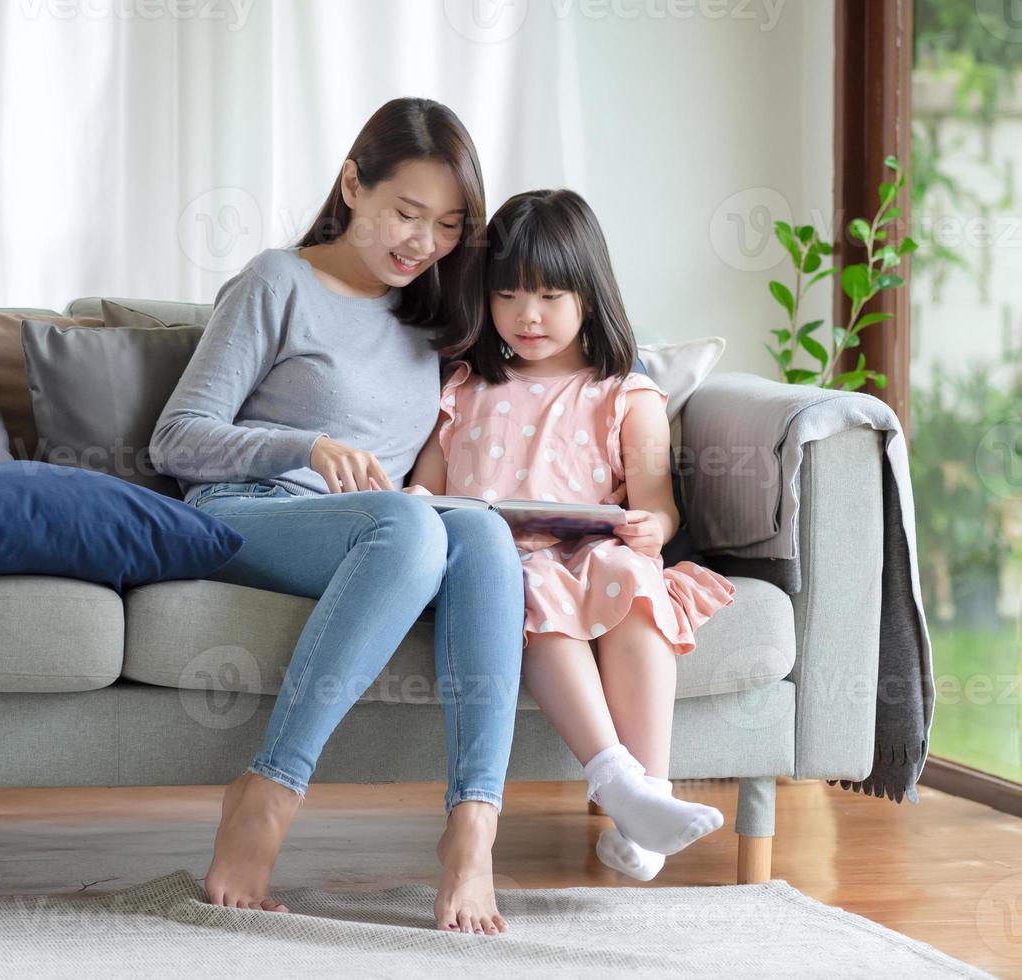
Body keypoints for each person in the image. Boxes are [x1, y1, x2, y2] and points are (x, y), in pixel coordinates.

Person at [150, 97, 524, 934]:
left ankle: (474, 828)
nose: (422, 242)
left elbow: (570, 343)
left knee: (485, 534)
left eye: (449, 225)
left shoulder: (432, 317)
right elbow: (175, 440)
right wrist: (305, 447)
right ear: (353, 183)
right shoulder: (275, 281)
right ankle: (268, 793)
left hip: (383, 534)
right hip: (250, 513)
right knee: (408, 525)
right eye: (405, 212)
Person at [404, 188, 737, 881]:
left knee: (637, 580)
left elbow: (658, 506)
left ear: (590, 296)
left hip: (591, 552)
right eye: (509, 295)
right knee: (527, 587)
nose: (528, 315)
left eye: (551, 296)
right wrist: (412, 500)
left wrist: (653, 528)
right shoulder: (463, 388)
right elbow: (425, 491)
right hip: (494, 564)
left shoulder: (624, 392)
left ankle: (652, 799)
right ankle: (620, 785)